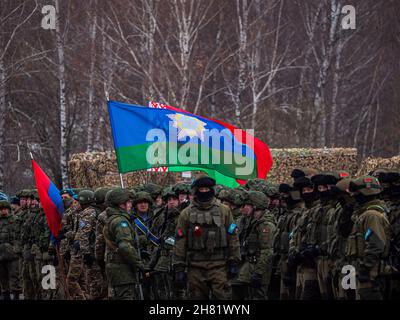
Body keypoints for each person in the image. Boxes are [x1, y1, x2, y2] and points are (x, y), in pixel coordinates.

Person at [173, 173, 240, 300]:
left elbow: (233, 237)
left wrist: (234, 261)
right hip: (195, 267)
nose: (204, 191)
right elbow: (180, 242)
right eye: (201, 189)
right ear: (196, 191)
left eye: (207, 189)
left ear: (212, 190)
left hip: (219, 265)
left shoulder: (224, 211)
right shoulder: (186, 213)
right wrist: (179, 267)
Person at [347, 175, 391, 300]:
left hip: (371, 276)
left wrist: (365, 268)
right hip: (364, 273)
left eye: (355, 192)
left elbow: (376, 244)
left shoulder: (371, 215)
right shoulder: (364, 214)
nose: (353, 196)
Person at [103, 188, 143, 300]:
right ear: (121, 205)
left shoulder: (112, 218)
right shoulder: (121, 221)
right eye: (128, 202)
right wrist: (138, 264)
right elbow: (125, 246)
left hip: (116, 270)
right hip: (123, 271)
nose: (131, 204)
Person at [235, 191, 276, 299]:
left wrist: (258, 273)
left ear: (254, 206)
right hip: (249, 268)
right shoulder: (250, 222)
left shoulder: (265, 225)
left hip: (259, 270)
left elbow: (267, 251)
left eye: (246, 205)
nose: (243, 208)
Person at [0, 200, 20, 300]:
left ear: (8, 209)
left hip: (13, 254)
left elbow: (19, 236)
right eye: (1, 209)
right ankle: (6, 295)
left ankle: (16, 295)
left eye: (5, 209)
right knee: (3, 277)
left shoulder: (15, 220)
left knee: (14, 276)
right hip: (1, 254)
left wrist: (15, 248)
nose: (3, 211)